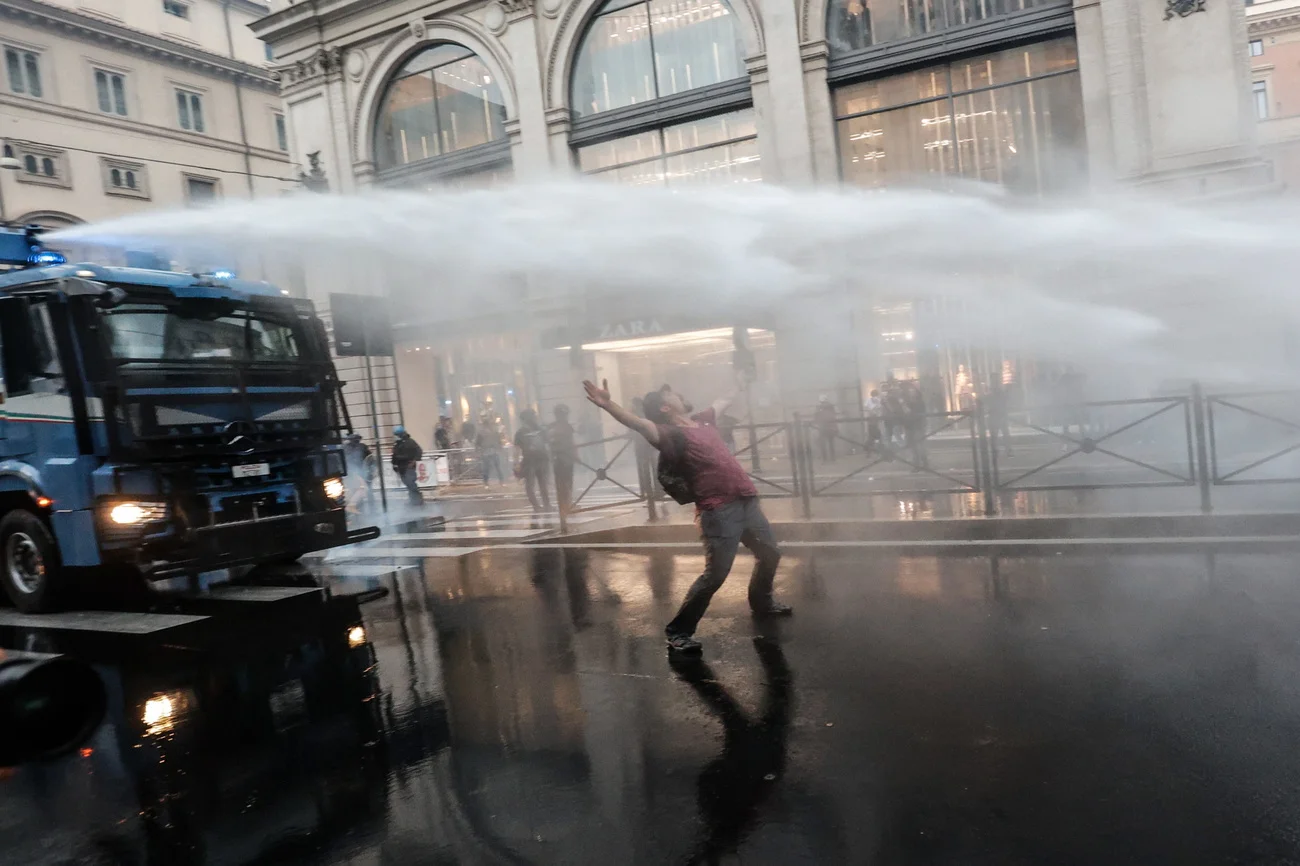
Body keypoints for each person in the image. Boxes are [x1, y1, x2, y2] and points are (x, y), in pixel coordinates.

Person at [583, 376, 790, 656]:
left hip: (745, 500)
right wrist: (609, 405)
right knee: (715, 575)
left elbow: (723, 401)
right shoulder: (670, 434)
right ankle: (678, 631)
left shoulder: (703, 421)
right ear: (665, 408)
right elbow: (638, 424)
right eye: (669, 394)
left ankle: (762, 601)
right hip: (718, 510)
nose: (676, 393)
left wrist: (740, 383)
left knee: (770, 553)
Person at [514, 408, 551, 512]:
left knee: (537, 485)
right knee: (536, 484)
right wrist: (516, 463)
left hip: (536, 460)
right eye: (533, 416)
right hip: (535, 460)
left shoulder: (524, 432)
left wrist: (516, 463)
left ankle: (542, 505)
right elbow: (517, 449)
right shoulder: (526, 431)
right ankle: (541, 505)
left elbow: (516, 449)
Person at [549, 404, 578, 512]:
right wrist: (576, 455)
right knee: (566, 482)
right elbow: (572, 442)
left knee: (562, 482)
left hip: (559, 458)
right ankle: (567, 504)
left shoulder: (551, 427)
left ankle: (565, 504)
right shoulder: (566, 426)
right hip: (565, 457)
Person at [631, 397, 659, 499]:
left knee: (645, 468)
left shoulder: (636, 415)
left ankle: (648, 491)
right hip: (649, 444)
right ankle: (656, 490)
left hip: (642, 444)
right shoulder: (647, 413)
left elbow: (633, 427)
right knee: (653, 467)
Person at [391, 426, 424, 504]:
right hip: (401, 467)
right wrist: (394, 464)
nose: (396, 436)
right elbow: (394, 455)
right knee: (407, 483)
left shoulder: (410, 442)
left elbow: (419, 451)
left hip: (409, 465)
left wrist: (414, 461)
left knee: (411, 483)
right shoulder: (397, 444)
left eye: (397, 434)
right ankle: (412, 499)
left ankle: (418, 500)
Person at [342, 432, 374, 512]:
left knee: (365, 490)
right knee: (359, 490)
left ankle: (370, 508)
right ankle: (358, 508)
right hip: (353, 473)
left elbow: (370, 458)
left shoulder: (362, 447)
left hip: (363, 472)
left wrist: (370, 470)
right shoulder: (346, 448)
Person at [475, 419, 505, 487]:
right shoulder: (482, 433)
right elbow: (477, 443)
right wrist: (477, 451)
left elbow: (498, 441)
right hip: (487, 451)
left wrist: (500, 447)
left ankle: (500, 481)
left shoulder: (493, 432)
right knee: (488, 468)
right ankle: (487, 482)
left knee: (495, 467)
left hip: (492, 450)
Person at [814, 395, 838, 462]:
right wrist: (835, 427)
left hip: (823, 427)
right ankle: (832, 458)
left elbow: (816, 417)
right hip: (829, 427)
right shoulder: (831, 407)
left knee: (823, 444)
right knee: (830, 443)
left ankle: (825, 459)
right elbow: (834, 416)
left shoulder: (819, 407)